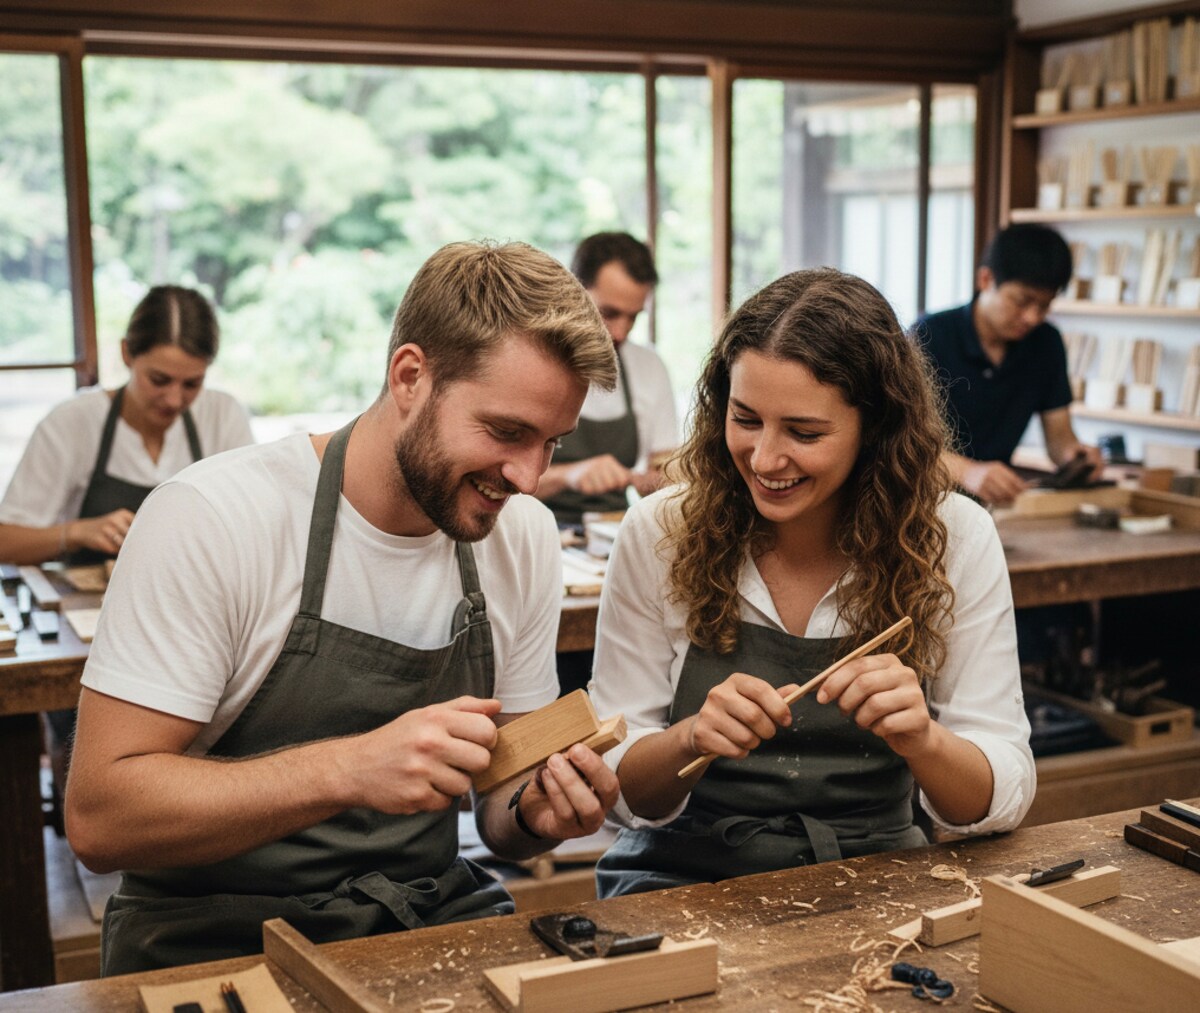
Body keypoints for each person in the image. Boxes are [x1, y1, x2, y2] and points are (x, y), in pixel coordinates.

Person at [64, 241, 622, 974]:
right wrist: (348, 769)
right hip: (213, 937)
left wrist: (533, 813)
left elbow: (501, 800)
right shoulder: (213, 518)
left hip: (425, 918)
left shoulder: (520, 537)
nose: (528, 474)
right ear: (411, 376)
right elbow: (100, 816)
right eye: (506, 432)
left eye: (552, 442)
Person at [588, 268, 1034, 897]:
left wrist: (925, 741)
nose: (766, 460)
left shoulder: (955, 536)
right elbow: (614, 782)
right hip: (680, 876)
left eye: (804, 433)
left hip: (878, 876)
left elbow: (1002, 792)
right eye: (745, 419)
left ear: (875, 428)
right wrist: (687, 739)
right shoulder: (660, 529)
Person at [0, 285, 253, 566]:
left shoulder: (223, 416)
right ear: (126, 354)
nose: (173, 399)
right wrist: (76, 533)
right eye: (159, 380)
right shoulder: (72, 423)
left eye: (192, 384)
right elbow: (5, 542)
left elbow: (255, 526)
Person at [914, 223, 1102, 507]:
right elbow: (895, 444)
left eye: (1044, 305)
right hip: (921, 501)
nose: (1033, 317)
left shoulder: (1046, 343)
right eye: (1022, 301)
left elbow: (1059, 437)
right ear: (986, 279)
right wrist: (967, 471)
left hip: (993, 508)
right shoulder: (928, 337)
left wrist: (1075, 457)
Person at [536, 232, 678, 525]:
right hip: (535, 528)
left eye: (633, 317)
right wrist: (569, 475)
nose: (621, 333)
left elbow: (665, 470)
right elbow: (494, 479)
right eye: (609, 313)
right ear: (573, 291)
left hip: (612, 530)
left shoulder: (649, 367)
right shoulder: (532, 362)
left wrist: (660, 483)